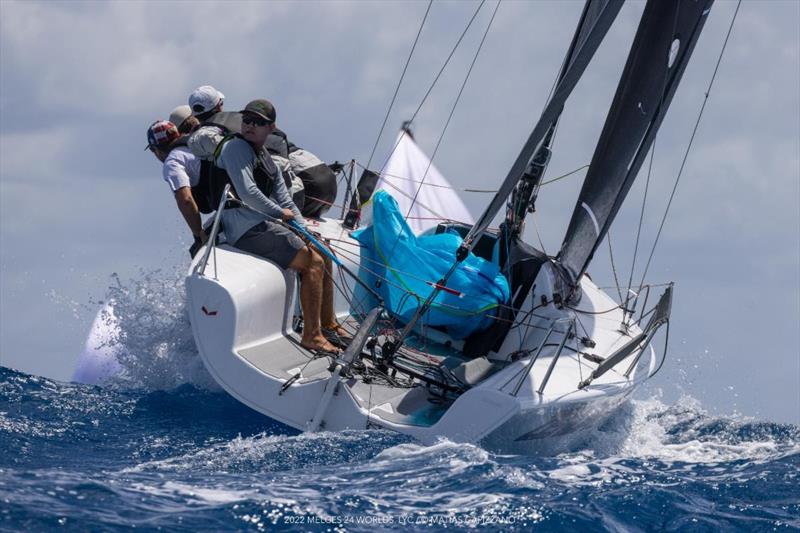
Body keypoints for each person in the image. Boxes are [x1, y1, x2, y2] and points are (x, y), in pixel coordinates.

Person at [214, 99, 344, 353]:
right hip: (243, 227)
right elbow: (248, 193)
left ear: (271, 128)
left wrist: (303, 227)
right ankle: (312, 335)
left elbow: (284, 197)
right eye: (246, 120)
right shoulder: (236, 148)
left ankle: (328, 324)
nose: (250, 126)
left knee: (324, 252)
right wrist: (281, 214)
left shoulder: (264, 156)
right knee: (313, 263)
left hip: (262, 222)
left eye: (258, 122)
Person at [145, 120, 206, 250]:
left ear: (155, 148)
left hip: (233, 210)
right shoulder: (194, 144)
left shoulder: (173, 162)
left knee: (195, 250)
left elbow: (186, 201)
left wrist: (199, 235)